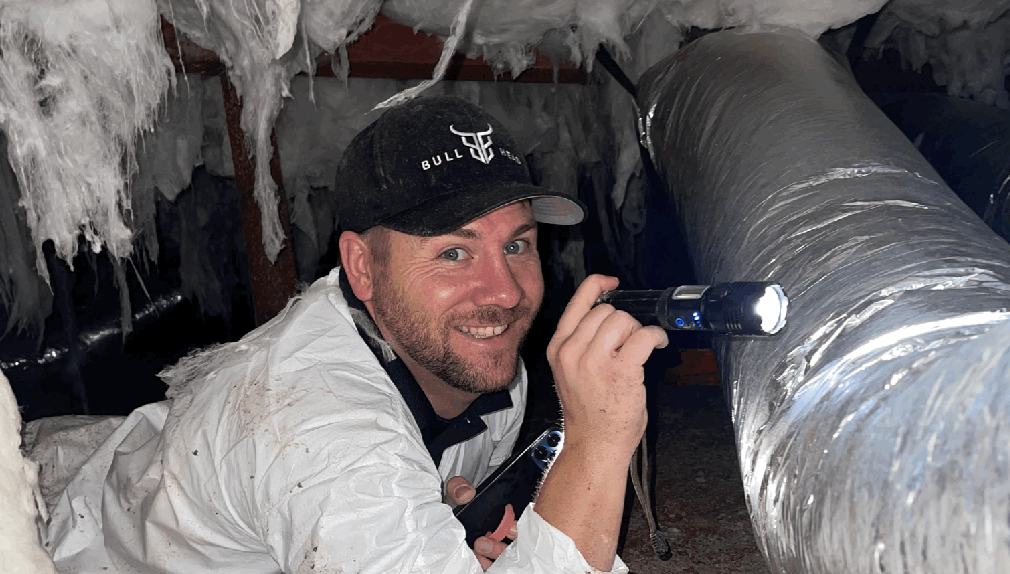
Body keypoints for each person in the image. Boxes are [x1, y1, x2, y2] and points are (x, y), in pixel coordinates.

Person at [42, 95, 667, 573]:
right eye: (453, 253)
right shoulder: (317, 429)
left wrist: (433, 531)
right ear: (362, 268)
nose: (504, 292)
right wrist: (599, 441)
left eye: (518, 244)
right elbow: (336, 460)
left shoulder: (472, 356)